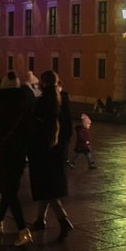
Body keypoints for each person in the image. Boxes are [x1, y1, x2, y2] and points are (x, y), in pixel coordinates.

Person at [0, 71, 36, 246]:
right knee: (9, 189)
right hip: (20, 152)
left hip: (4, 151)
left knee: (9, 191)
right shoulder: (25, 102)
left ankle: (23, 231)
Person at [28, 70, 74, 240]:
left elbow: (34, 130)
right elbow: (68, 130)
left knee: (46, 188)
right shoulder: (64, 101)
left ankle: (63, 220)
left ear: (43, 84)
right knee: (48, 186)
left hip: (43, 152)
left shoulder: (41, 103)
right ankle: (40, 219)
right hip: (59, 152)